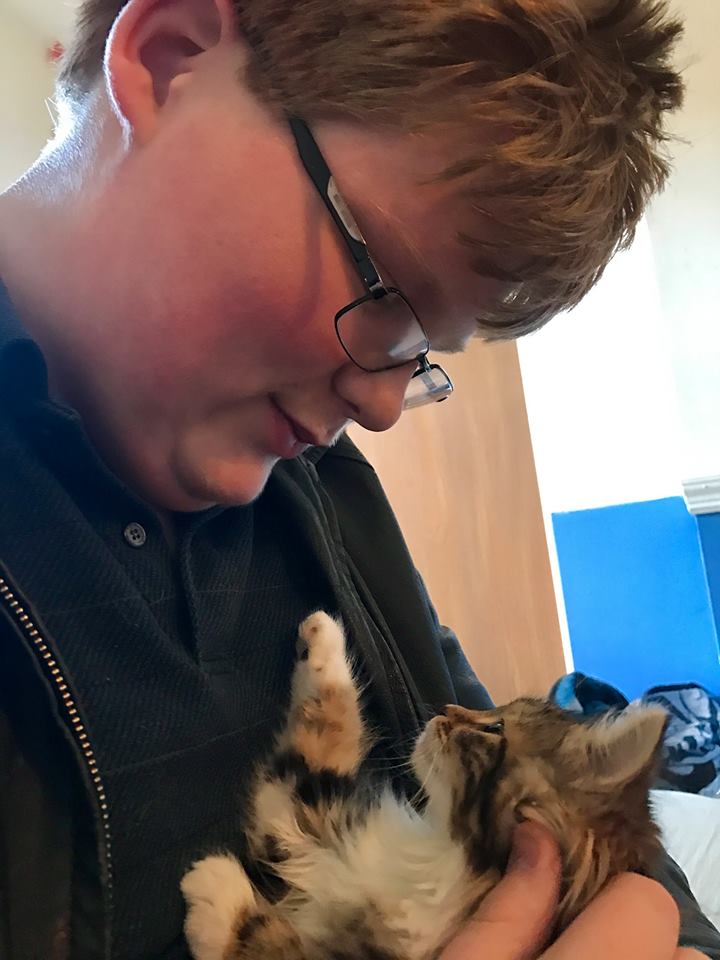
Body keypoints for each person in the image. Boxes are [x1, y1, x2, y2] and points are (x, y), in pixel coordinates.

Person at [0, 0, 717, 958]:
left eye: (421, 355)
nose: (382, 408)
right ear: (171, 59)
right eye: (384, 289)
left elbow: (590, 841)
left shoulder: (329, 492)